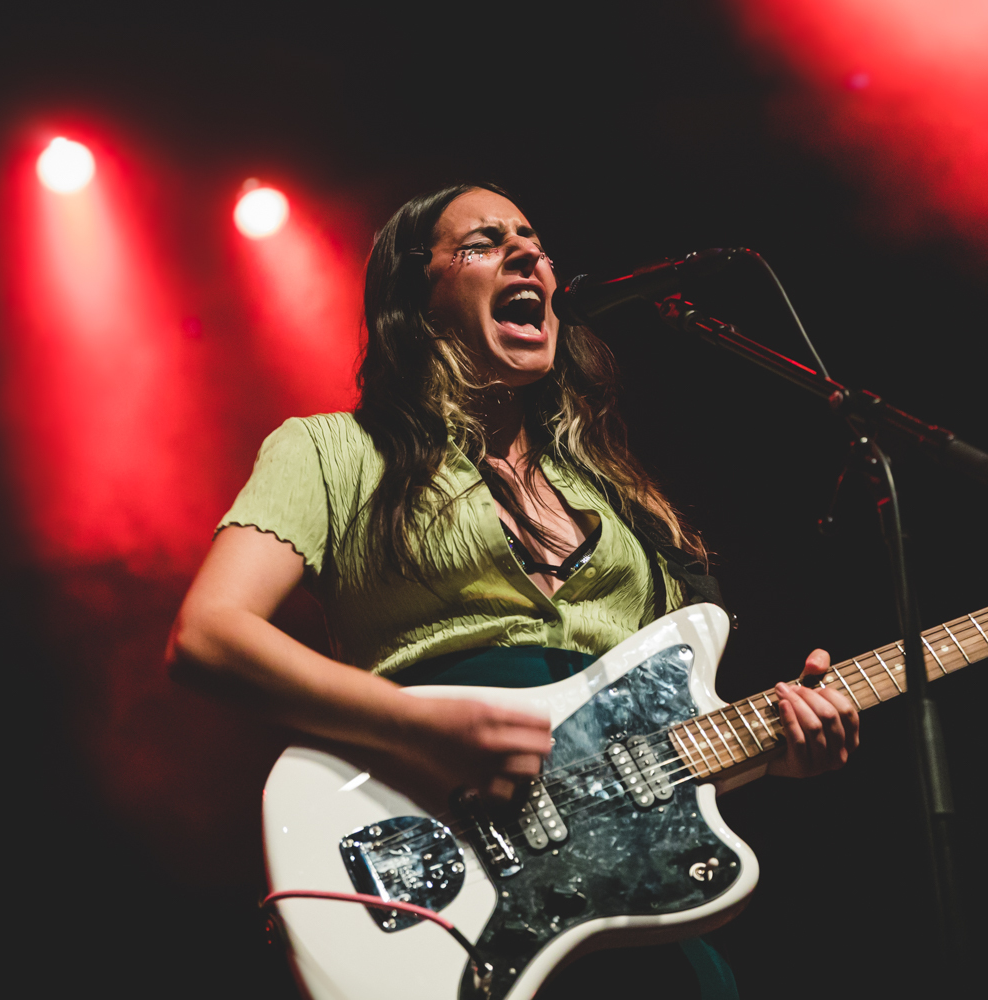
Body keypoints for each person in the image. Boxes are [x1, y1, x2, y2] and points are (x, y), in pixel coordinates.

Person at [165, 182, 859, 998]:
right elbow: (209, 633)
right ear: (417, 298)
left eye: (534, 241)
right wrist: (416, 726)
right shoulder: (333, 450)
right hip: (447, 867)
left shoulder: (614, 496)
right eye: (484, 243)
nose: (528, 253)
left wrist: (773, 752)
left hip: (632, 913)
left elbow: (644, 742)